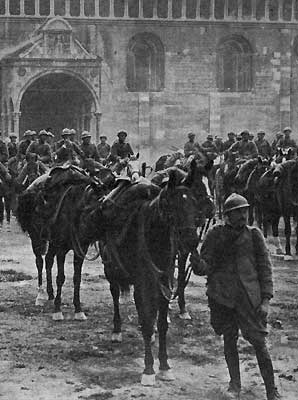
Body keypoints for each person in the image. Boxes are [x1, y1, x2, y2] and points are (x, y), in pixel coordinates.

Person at [190, 193, 281, 400]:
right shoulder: (215, 235)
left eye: (245, 211)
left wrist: (266, 299)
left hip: (249, 299)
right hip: (223, 297)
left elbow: (265, 269)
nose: (243, 215)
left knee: (259, 342)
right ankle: (235, 385)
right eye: (237, 212)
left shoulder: (254, 235)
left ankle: (271, 390)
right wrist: (194, 258)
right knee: (229, 340)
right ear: (228, 216)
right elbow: (204, 268)